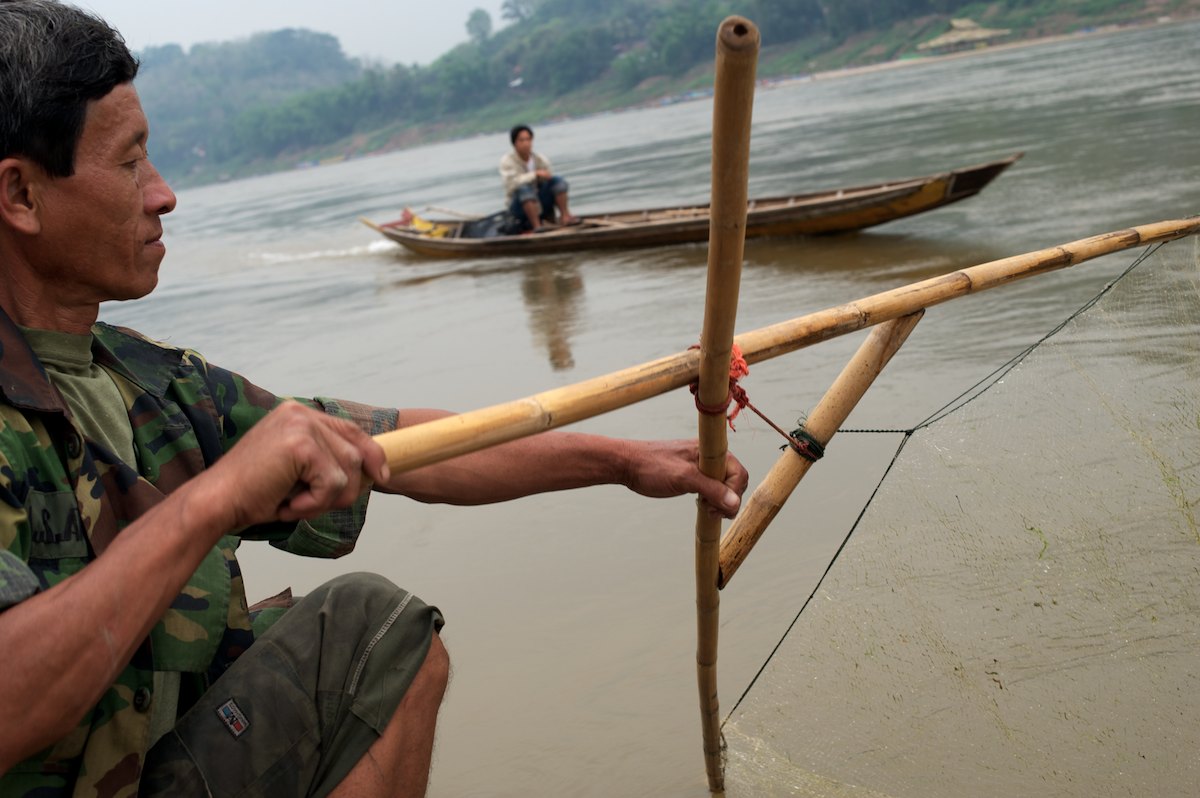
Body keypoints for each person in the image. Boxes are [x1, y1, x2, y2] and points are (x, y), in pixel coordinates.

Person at [0, 3, 748, 797]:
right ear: (20, 194)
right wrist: (212, 502)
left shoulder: (150, 380)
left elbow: (400, 446)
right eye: (129, 165)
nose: (165, 195)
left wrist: (624, 461)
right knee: (364, 618)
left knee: (374, 642)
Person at [499, 124, 578, 232]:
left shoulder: (539, 159)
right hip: (518, 206)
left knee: (558, 181)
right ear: (514, 143)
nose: (526, 143)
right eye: (521, 140)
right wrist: (535, 175)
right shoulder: (507, 161)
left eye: (528, 139)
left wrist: (544, 177)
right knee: (524, 189)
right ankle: (537, 226)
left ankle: (566, 217)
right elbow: (512, 184)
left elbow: (548, 176)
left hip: (539, 201)